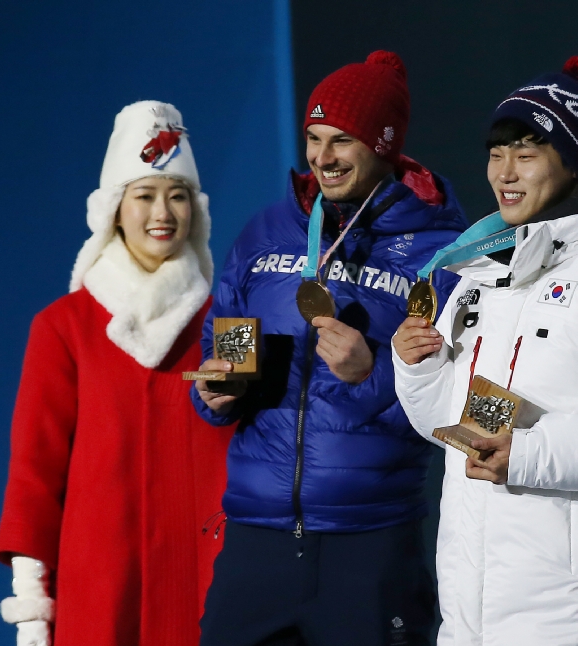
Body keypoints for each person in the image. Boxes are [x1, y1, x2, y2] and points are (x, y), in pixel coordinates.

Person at [392, 56, 578, 646]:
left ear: (571, 163)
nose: (504, 172)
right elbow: (452, 424)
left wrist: (524, 454)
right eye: (497, 154)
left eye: (526, 153)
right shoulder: (484, 271)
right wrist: (419, 368)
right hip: (475, 602)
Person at [190, 51, 468, 646]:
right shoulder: (266, 233)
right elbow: (224, 344)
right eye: (314, 138)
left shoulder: (439, 253)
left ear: (385, 145)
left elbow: (455, 407)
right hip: (255, 534)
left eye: (342, 140)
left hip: (369, 543)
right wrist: (219, 391)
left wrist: (369, 375)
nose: (322, 157)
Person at [0, 101, 233, 646]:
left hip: (207, 590)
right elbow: (35, 473)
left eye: (177, 195)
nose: (163, 212)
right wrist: (32, 606)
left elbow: (252, 448)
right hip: (98, 594)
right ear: (113, 210)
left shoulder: (228, 319)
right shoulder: (62, 327)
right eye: (144, 194)